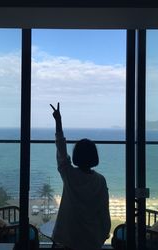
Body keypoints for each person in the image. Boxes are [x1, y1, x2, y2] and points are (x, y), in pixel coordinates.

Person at [50, 102, 111, 250]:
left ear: (77, 155)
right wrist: (102, 235)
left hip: (68, 238)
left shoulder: (70, 176)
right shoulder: (100, 181)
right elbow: (104, 211)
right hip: (91, 240)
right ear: (94, 156)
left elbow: (62, 152)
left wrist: (58, 122)